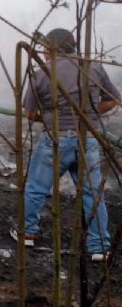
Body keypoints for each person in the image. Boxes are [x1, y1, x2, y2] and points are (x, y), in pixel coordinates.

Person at [12, 28, 118, 261]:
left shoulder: (40, 72)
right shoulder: (93, 67)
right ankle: (99, 246)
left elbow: (29, 113)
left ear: (50, 48)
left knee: (36, 187)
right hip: (88, 138)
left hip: (56, 138)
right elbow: (113, 99)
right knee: (91, 193)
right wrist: (87, 112)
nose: (42, 52)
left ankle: (27, 232)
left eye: (44, 48)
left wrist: (50, 115)